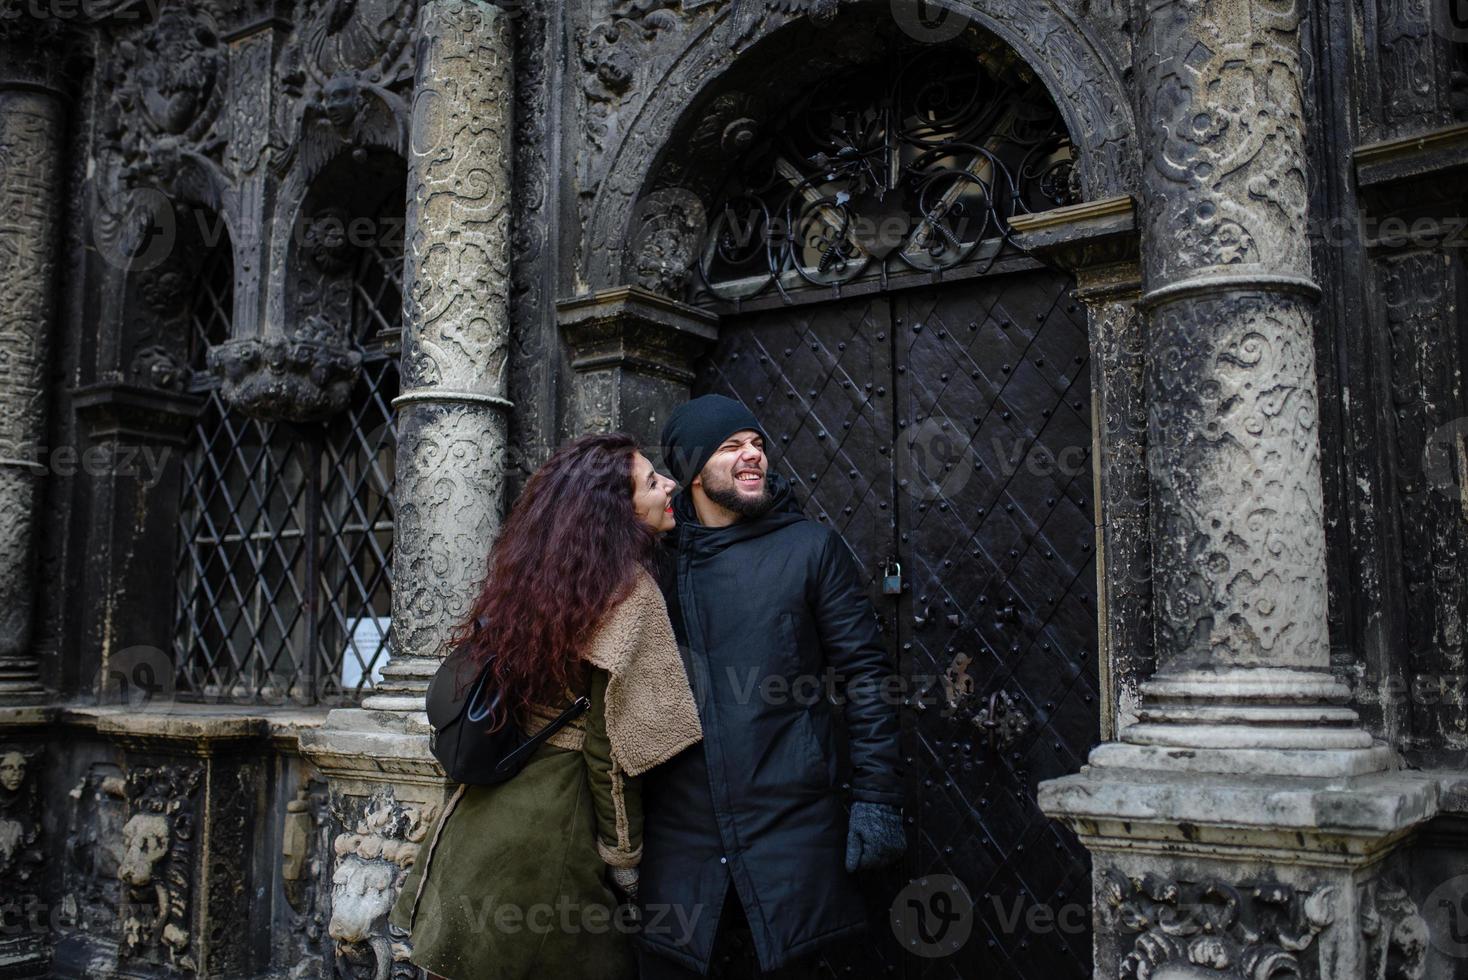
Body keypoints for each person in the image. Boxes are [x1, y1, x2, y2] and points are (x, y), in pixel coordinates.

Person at [389, 433, 704, 980]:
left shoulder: (539, 578)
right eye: (652, 482)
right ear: (616, 512)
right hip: (549, 844)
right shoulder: (629, 592)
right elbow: (613, 751)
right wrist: (623, 860)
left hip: (475, 829)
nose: (670, 485)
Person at [637, 394, 905, 978]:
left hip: (794, 832)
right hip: (681, 842)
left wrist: (877, 800)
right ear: (690, 470)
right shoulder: (654, 565)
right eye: (731, 447)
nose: (752, 455)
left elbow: (867, 678)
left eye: (756, 443)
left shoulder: (809, 549)